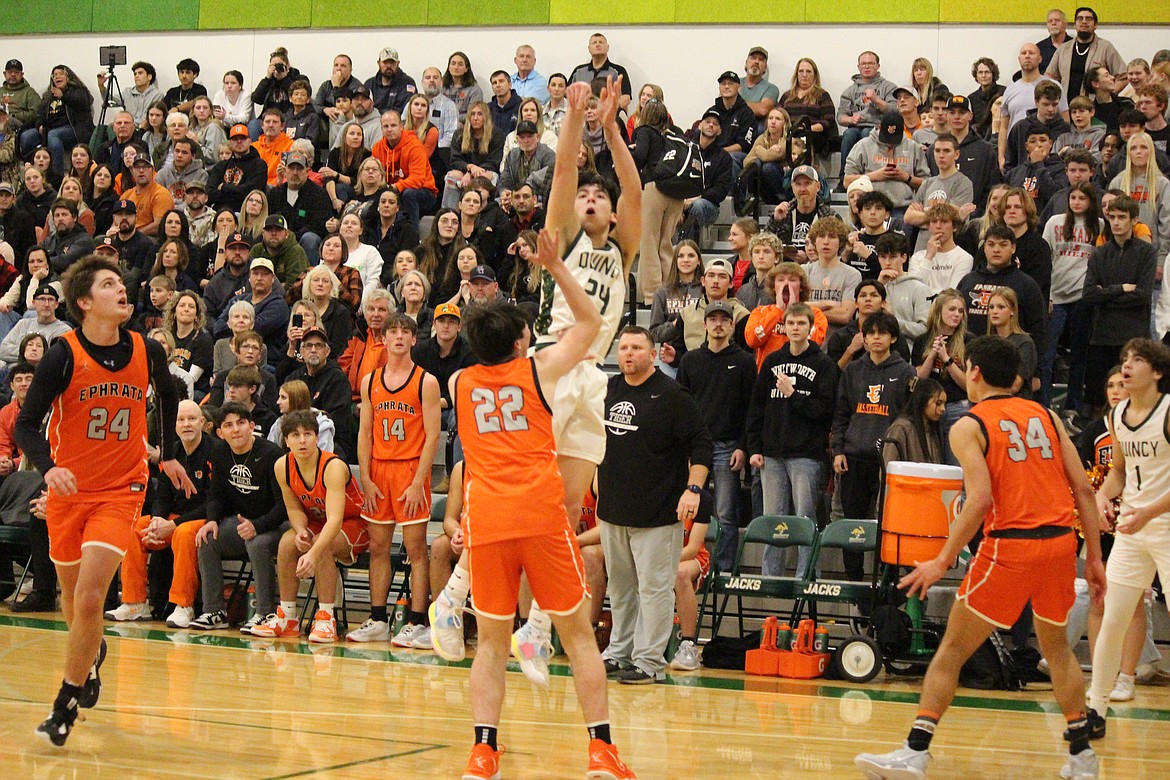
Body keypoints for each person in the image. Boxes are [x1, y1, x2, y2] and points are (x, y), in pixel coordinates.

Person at [854, 336, 1106, 780]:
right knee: (1059, 651)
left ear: (972, 372)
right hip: (1060, 545)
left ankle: (916, 751)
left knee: (950, 652)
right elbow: (1084, 490)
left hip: (1010, 547)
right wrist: (1094, 560)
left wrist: (941, 559)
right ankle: (1082, 758)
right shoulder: (1047, 415)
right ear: (1014, 377)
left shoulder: (969, 425)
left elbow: (980, 499)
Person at [443, 228, 634, 779]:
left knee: (491, 646)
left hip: (490, 521)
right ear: (523, 342)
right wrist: (554, 267)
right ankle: (601, 750)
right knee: (577, 638)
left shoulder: (458, 381)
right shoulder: (538, 369)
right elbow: (592, 326)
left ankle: (483, 751)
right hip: (541, 516)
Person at [15, 256, 193, 746]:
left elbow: (170, 395)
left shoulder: (146, 349)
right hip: (69, 491)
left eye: (122, 280)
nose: (123, 288)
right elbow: (27, 424)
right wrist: (49, 468)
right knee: (73, 601)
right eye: (109, 283)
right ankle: (91, 660)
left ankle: (64, 704)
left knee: (92, 595)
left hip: (121, 490)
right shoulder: (61, 354)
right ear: (85, 302)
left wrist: (169, 455)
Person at [347, 315, 440, 645]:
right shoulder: (370, 380)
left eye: (405, 332)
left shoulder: (426, 381)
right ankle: (377, 619)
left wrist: (418, 482)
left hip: (410, 470)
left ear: (414, 339)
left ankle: (416, 621)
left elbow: (432, 436)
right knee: (378, 548)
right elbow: (364, 433)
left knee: (415, 548)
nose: (399, 337)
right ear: (383, 339)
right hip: (379, 472)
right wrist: (367, 477)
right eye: (392, 332)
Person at [746, 301, 837, 577]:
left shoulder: (824, 365)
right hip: (772, 455)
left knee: (805, 520)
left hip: (806, 456)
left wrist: (792, 394)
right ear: (783, 327)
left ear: (811, 328)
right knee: (773, 521)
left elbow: (825, 411)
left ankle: (807, 579)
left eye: (802, 323)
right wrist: (754, 448)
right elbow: (756, 409)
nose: (796, 328)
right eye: (791, 323)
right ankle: (769, 578)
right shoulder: (772, 361)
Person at [103, 399, 214, 628]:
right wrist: (156, 520)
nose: (186, 425)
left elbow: (214, 502)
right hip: (171, 518)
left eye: (192, 419)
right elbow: (162, 494)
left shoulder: (216, 451)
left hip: (202, 519)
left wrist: (173, 525)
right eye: (181, 420)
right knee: (136, 528)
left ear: (202, 422)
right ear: (173, 426)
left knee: (184, 534)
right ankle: (134, 602)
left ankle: (184, 606)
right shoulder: (170, 453)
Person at [264, 411, 370, 643]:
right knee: (287, 542)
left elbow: (334, 519)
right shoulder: (282, 466)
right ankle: (288, 617)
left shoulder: (333, 466)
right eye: (295, 435)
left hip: (354, 523)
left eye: (308, 434)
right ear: (286, 440)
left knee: (323, 546)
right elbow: (293, 508)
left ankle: (325, 618)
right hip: (316, 522)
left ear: (316, 436)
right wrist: (301, 529)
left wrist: (312, 552)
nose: (302, 441)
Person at [189, 402, 287, 633]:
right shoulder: (220, 452)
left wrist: (258, 526)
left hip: (275, 523)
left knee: (257, 542)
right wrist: (212, 519)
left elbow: (285, 505)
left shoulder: (271, 454)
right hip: (243, 523)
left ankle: (264, 613)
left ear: (251, 426)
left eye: (241, 423)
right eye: (229, 425)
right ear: (220, 433)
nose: (236, 430)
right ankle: (214, 611)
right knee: (207, 538)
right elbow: (215, 494)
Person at [831, 311, 914, 580]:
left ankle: (885, 581)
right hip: (854, 457)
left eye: (882, 333)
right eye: (871, 333)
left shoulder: (905, 372)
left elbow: (909, 420)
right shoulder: (853, 370)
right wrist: (838, 450)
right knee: (852, 523)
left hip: (889, 461)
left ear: (893, 338)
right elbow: (841, 413)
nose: (876, 338)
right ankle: (852, 581)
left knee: (888, 525)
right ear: (863, 338)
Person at [676, 301, 756, 577]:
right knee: (684, 509)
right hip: (693, 448)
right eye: (713, 319)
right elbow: (681, 408)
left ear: (733, 325)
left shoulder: (745, 361)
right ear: (705, 324)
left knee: (726, 513)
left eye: (725, 319)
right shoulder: (690, 360)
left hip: (728, 446)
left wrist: (743, 447)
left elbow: (751, 409)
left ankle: (723, 571)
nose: (719, 324)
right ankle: (681, 562)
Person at [1083, 195, 1158, 412]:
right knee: (1101, 399)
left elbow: (1143, 295)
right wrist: (1121, 288)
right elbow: (1088, 295)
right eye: (1112, 217)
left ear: (1134, 220)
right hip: (1102, 336)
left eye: (1121, 217)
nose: (1115, 222)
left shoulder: (1146, 252)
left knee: (1135, 396)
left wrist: (1105, 295)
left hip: (1133, 335)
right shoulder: (1099, 253)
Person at [1045, 6, 1126, 102]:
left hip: (1095, 108)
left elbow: (1124, 76)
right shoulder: (1063, 49)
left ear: (1095, 25)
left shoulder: (1105, 47)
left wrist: (1108, 96)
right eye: (1080, 19)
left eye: (1089, 19)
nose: (1084, 22)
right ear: (1075, 25)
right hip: (1067, 108)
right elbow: (1049, 77)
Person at [837, 52, 898, 174]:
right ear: (858, 66)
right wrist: (850, 119)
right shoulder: (850, 91)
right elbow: (840, 117)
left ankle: (870, 174)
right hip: (855, 127)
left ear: (878, 66)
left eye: (870, 63)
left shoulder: (889, 87)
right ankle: (844, 178)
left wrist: (876, 99)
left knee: (867, 133)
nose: (867, 67)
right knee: (848, 134)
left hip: (879, 128)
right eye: (863, 64)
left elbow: (895, 111)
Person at [568, 32, 633, 110]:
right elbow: (567, 96)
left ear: (607, 47)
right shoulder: (578, 72)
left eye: (601, 42)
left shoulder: (619, 71)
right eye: (594, 43)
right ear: (589, 48)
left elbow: (625, 99)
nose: (597, 45)